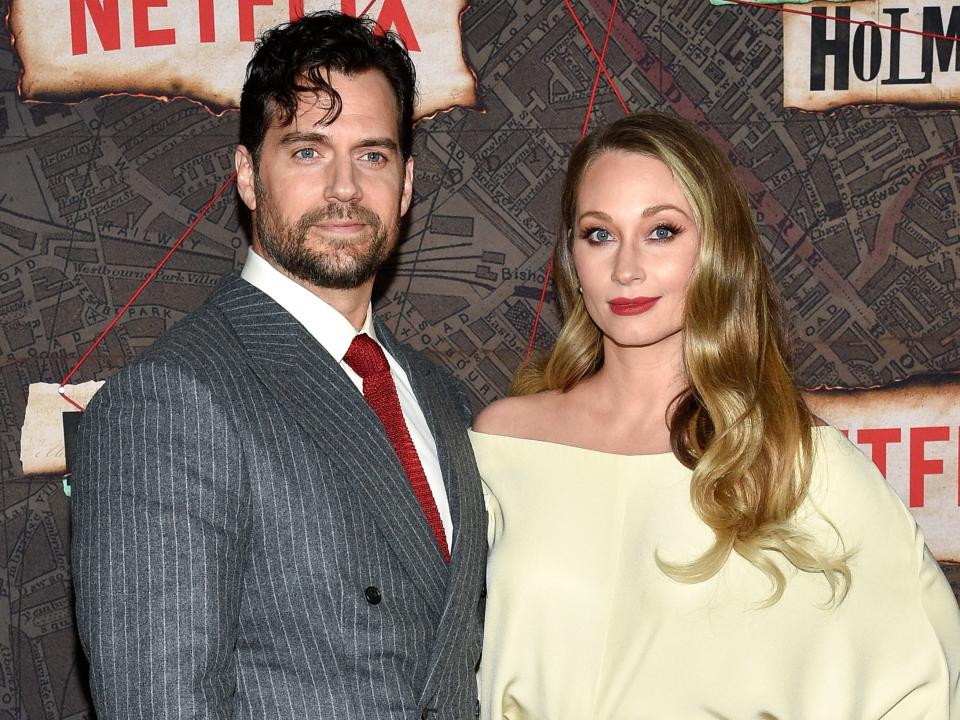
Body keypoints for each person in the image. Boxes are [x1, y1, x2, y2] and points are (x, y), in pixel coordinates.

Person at [471, 111, 960, 719]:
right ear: (571, 255)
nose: (626, 268)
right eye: (599, 234)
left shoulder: (792, 461)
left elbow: (925, 677)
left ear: (717, 248)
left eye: (662, 232)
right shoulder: (503, 444)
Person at [71, 12, 485, 719]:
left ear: (408, 182)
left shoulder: (446, 399)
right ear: (247, 176)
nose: (346, 188)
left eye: (374, 155)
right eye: (307, 152)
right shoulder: (171, 403)